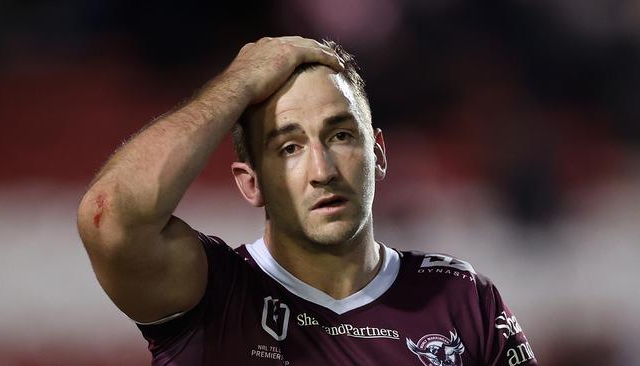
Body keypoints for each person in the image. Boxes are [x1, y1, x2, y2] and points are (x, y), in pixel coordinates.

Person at [77, 36, 537, 366]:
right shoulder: (213, 295)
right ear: (250, 182)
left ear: (377, 153)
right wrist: (240, 81)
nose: (323, 170)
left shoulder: (460, 297)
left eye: (339, 136)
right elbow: (109, 218)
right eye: (289, 147)